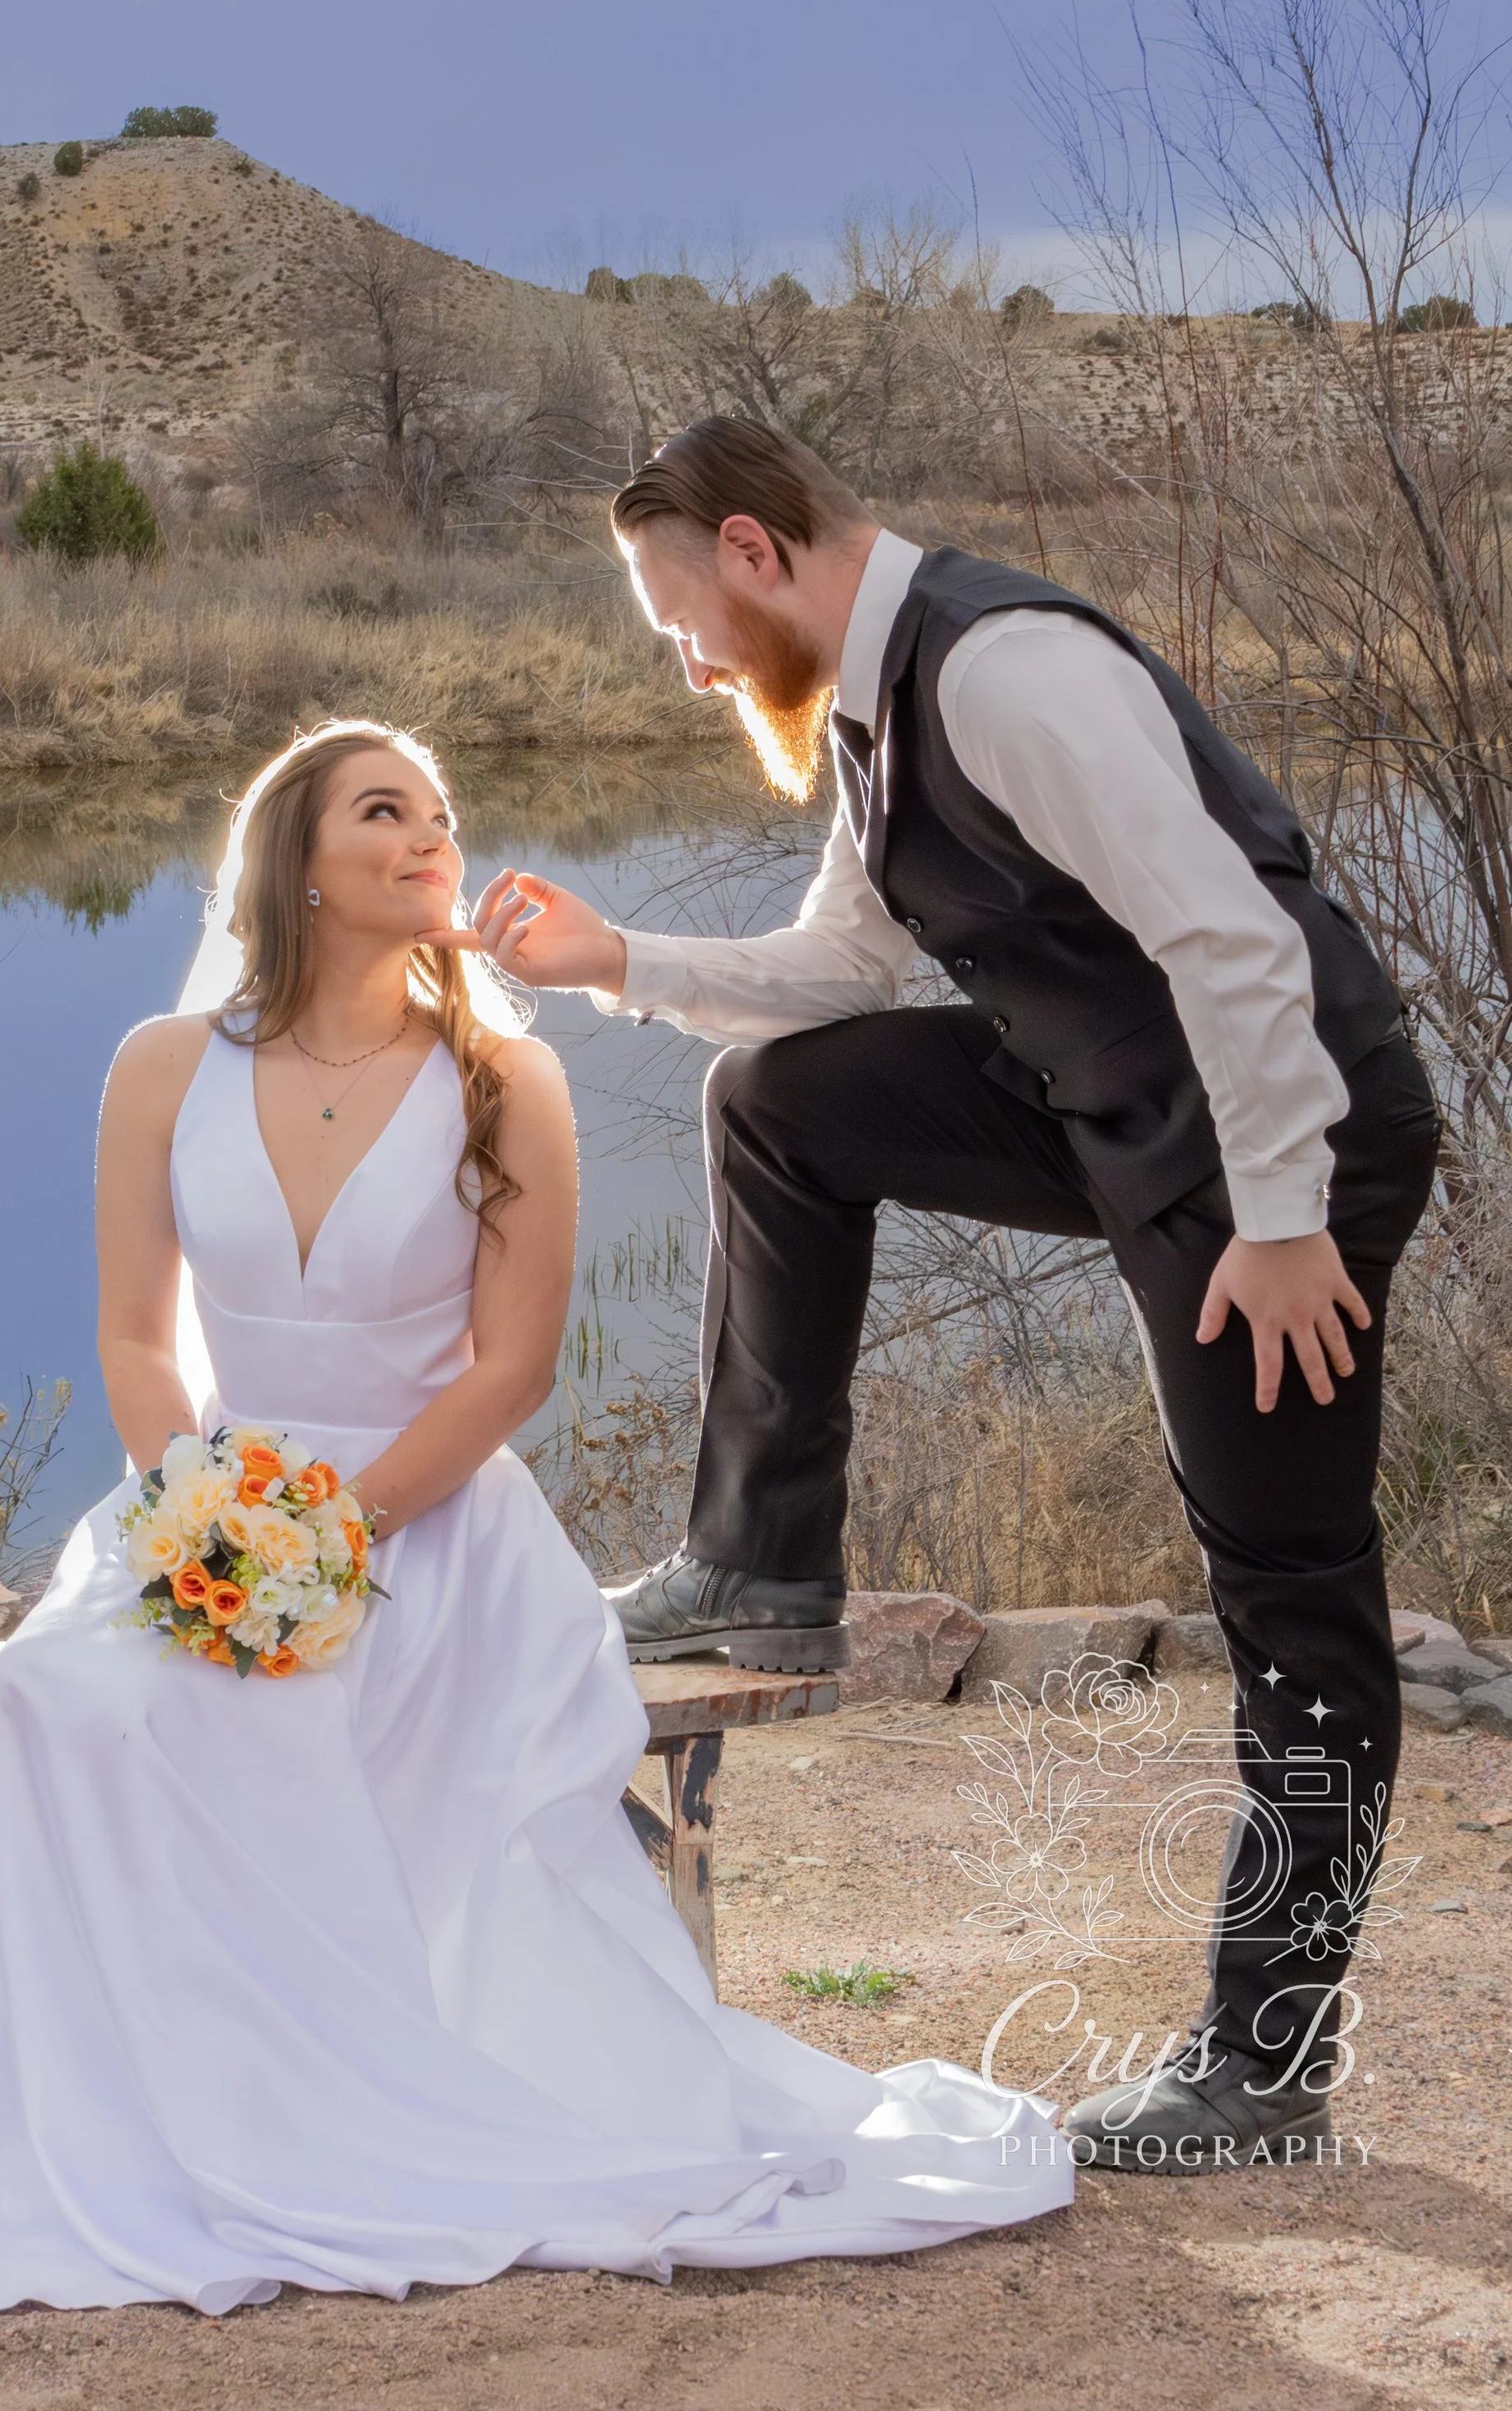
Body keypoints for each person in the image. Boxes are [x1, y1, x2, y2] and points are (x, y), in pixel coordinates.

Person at [0, 718, 1068, 2316]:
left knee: (270, 1732)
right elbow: (139, 1336)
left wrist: (334, 1530)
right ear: (295, 862)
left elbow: (513, 1368)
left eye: (439, 809)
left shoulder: (508, 1076)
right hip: (198, 1508)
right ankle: (78, 2125)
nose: (431, 833)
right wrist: (203, 1513)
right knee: (15, 1717)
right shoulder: (162, 1064)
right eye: (383, 809)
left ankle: (309, 2124)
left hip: (431, 1525)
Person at [434, 419, 1441, 2175]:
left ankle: (1264, 2062)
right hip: (1119, 1111)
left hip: (1281, 1140)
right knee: (779, 1099)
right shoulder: (874, 710)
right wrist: (621, 961)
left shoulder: (1010, 675)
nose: (679, 661)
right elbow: (846, 965)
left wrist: (1282, 1223)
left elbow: (1230, 939)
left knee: (1290, 1591)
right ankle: (758, 1561)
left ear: (751, 549)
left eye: (677, 617)